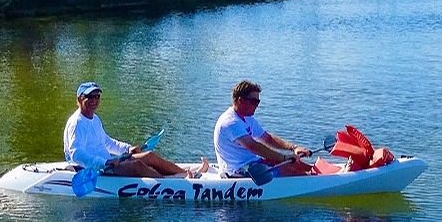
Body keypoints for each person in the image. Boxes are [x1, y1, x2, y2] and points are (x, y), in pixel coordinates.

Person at [64, 82, 205, 178]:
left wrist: (128, 149)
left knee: (148, 155)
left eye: (97, 96)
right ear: (79, 99)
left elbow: (107, 142)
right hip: (93, 170)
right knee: (137, 165)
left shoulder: (94, 119)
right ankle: (172, 183)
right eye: (90, 97)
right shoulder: (76, 123)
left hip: (108, 162)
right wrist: (104, 163)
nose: (94, 100)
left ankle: (184, 173)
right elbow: (76, 154)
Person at [213, 81, 316, 178]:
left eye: (258, 101)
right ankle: (317, 183)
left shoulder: (247, 118)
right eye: (254, 101)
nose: (257, 105)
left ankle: (320, 174)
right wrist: (283, 157)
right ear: (240, 101)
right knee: (290, 169)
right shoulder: (230, 122)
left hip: (252, 164)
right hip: (236, 170)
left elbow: (267, 138)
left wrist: (293, 148)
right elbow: (253, 146)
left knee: (297, 164)